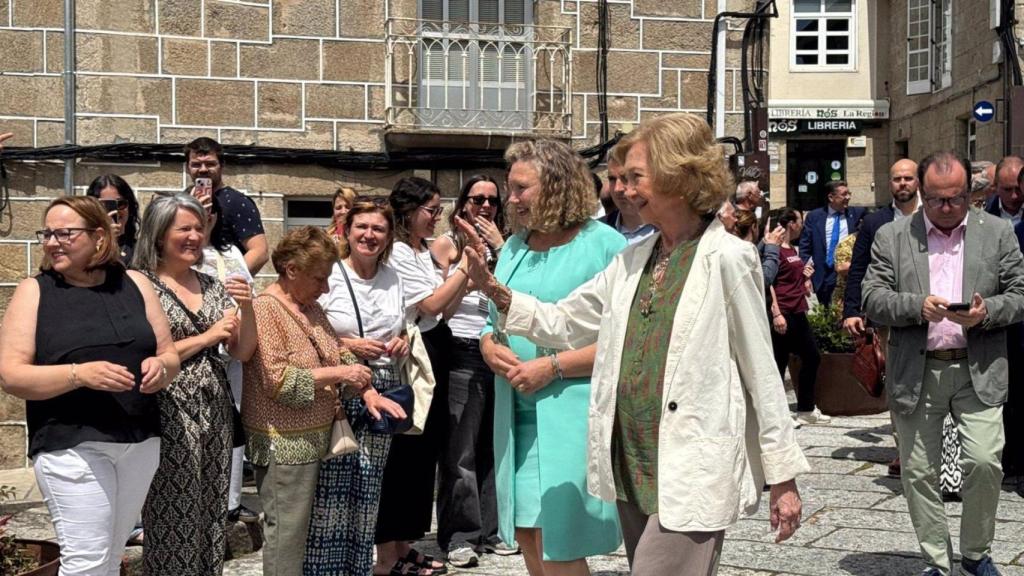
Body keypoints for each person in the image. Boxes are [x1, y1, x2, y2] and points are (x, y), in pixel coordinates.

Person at [457, 113, 808, 576]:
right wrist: (495, 291)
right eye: (621, 179)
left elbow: (763, 372)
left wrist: (782, 476)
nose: (622, 190)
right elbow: (563, 320)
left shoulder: (729, 258)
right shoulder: (633, 258)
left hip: (690, 461)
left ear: (680, 178)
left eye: (635, 178)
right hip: (632, 462)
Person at [470, 139, 628, 576]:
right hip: (514, 414)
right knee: (526, 533)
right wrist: (487, 346)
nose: (511, 198)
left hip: (570, 413)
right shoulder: (516, 248)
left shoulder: (605, 246)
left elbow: (624, 341)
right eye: (510, 187)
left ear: (556, 186)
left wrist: (552, 367)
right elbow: (492, 320)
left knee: (558, 540)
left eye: (521, 188)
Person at [863, 150, 1024, 576]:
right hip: (917, 369)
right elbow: (872, 296)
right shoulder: (894, 236)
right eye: (935, 199)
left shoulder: (997, 233)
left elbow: (1021, 295)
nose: (945, 208)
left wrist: (986, 311)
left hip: (979, 368)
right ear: (921, 191)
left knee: (986, 462)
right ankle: (936, 561)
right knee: (918, 472)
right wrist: (916, 306)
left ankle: (975, 555)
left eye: (954, 199)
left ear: (971, 194)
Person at [0, 196, 180, 576]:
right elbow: (11, 375)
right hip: (71, 444)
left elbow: (169, 355)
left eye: (64, 233)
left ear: (99, 237)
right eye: (47, 233)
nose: (51, 242)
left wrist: (161, 368)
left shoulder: (136, 283)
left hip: (139, 443)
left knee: (110, 556)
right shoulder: (35, 291)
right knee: (87, 561)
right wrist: (78, 374)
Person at [242, 226, 388, 576]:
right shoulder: (266, 309)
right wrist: (340, 375)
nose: (325, 288)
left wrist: (364, 386)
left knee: (304, 535)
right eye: (319, 279)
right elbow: (277, 380)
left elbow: (335, 351)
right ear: (291, 270)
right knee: (287, 537)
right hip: (285, 443)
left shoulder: (310, 307)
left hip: (315, 437)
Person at [131, 194, 257, 576]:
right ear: (158, 234)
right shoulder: (139, 285)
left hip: (214, 408)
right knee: (173, 510)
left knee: (212, 510)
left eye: (199, 228)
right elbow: (146, 353)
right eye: (183, 228)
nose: (194, 236)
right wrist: (206, 338)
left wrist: (247, 307)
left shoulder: (213, 285)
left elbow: (242, 351)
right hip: (169, 410)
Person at [305, 198, 412, 576]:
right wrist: (349, 346)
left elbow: (399, 326)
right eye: (362, 227)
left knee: (368, 489)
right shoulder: (329, 274)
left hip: (383, 385)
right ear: (346, 231)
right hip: (339, 388)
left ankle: (357, 570)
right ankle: (322, 570)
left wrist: (402, 340)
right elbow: (310, 328)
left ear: (388, 236)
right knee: (331, 490)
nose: (369, 235)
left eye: (378, 229)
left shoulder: (394, 276)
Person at [375, 177, 473, 576]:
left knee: (423, 455)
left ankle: (405, 543)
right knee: (403, 454)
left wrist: (466, 270)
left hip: (436, 346)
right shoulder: (398, 251)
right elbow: (432, 304)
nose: (437, 218)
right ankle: (388, 554)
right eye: (431, 210)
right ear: (409, 211)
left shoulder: (422, 252)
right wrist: (468, 263)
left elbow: (444, 308)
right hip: (414, 353)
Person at [431, 175, 509, 567]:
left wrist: (498, 248)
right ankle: (459, 535)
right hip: (461, 349)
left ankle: (489, 531)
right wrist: (469, 266)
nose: (485, 206)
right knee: (459, 449)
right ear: (462, 204)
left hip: (497, 350)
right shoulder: (447, 244)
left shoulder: (506, 246)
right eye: (477, 199)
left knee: (491, 447)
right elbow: (439, 307)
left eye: (492, 200)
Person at [842, 158, 922, 479]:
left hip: (928, 314)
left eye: (908, 178)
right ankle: (903, 449)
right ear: (889, 183)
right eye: (896, 179)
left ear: (918, 182)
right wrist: (851, 311)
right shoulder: (875, 222)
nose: (902, 184)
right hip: (889, 319)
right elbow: (858, 268)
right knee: (899, 383)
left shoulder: (931, 217)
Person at [194, 194, 260, 524]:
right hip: (195, 352)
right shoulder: (175, 256)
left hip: (231, 350)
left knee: (234, 425)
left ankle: (231, 502)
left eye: (209, 212)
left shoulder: (231, 252)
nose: (203, 218)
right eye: (196, 210)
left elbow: (246, 293)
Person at [770, 208, 829, 426]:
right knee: (779, 363)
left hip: (798, 309)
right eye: (799, 221)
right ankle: (777, 415)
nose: (802, 225)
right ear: (790, 224)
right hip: (784, 312)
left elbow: (795, 281)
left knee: (812, 356)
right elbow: (769, 283)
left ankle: (805, 408)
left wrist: (805, 279)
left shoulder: (792, 249)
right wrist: (776, 312)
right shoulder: (774, 250)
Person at [184, 137, 269, 275]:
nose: (203, 169)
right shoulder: (181, 201)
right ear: (187, 168)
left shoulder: (237, 202)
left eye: (210, 164)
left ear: (222, 166)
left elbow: (260, 251)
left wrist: (229, 282)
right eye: (196, 164)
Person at [798, 180, 866, 306]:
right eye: (844, 194)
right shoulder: (814, 216)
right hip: (822, 275)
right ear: (831, 197)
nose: (848, 197)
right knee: (826, 314)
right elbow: (805, 247)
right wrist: (807, 274)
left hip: (847, 274)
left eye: (849, 193)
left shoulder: (857, 213)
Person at [600, 156, 657, 245]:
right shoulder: (594, 231)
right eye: (612, 179)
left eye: (626, 178)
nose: (617, 189)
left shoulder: (674, 230)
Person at [85, 174, 141, 264]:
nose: (115, 210)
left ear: (130, 207)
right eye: (104, 205)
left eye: (121, 203)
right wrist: (105, 240)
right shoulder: (83, 248)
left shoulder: (141, 250)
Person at [984, 156, 1024, 224]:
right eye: (1007, 189)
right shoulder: (984, 213)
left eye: (1018, 189)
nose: (1014, 196)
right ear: (996, 187)